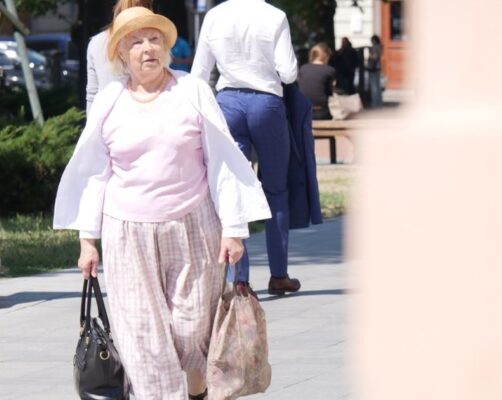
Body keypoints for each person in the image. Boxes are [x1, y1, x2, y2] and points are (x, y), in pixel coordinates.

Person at [53, 7, 271, 400]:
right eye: (136, 42)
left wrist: (234, 229)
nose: (147, 48)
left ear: (166, 48)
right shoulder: (109, 100)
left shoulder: (192, 91)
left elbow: (221, 161)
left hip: (193, 225)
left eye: (154, 39)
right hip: (127, 233)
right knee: (144, 339)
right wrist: (88, 240)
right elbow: (94, 173)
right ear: (121, 53)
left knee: (192, 329)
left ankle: (196, 388)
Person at [191, 0, 302, 296]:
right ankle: (279, 275)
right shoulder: (275, 16)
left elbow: (199, 73)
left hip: (228, 102)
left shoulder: (214, 16)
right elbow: (288, 73)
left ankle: (239, 280)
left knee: (232, 189)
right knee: (276, 190)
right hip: (266, 103)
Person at [85, 0, 153, 111]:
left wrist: (92, 121)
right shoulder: (152, 43)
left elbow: (92, 94)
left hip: (105, 114)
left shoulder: (96, 42)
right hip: (142, 112)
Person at [298, 43, 336, 120]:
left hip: (303, 111)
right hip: (322, 112)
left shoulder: (302, 69)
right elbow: (330, 93)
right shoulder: (329, 70)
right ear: (325, 55)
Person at [366, 34, 383, 107]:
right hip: (377, 68)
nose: (371, 41)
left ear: (374, 40)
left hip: (373, 68)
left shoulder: (375, 47)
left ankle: (375, 103)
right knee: (377, 86)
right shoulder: (380, 47)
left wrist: (370, 55)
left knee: (374, 87)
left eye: (372, 40)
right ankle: (379, 102)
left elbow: (375, 57)